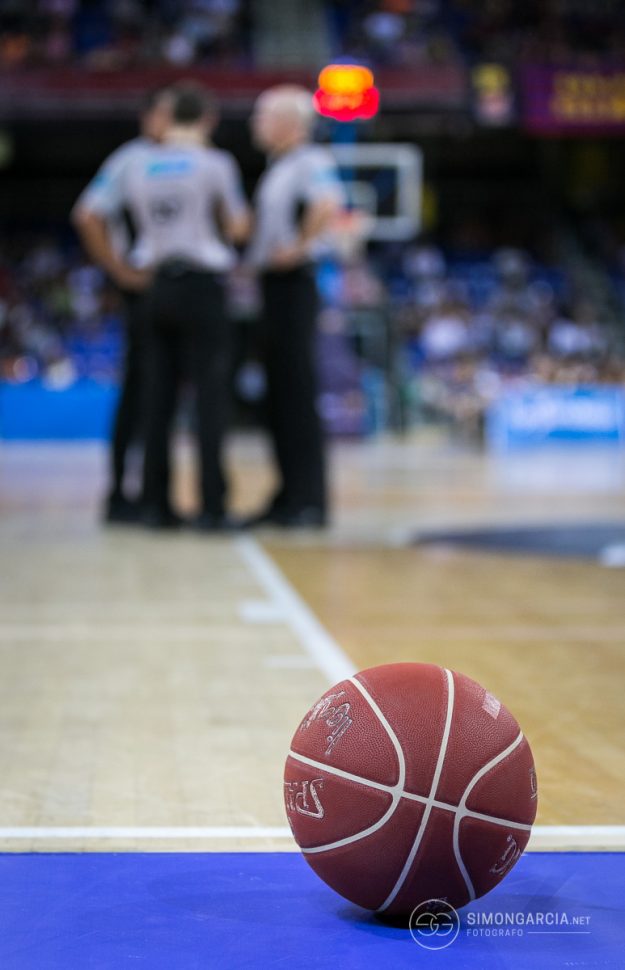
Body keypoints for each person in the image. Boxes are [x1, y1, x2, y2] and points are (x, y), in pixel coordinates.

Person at [82, 82, 250, 530]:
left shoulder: (137, 163)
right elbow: (236, 227)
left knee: (155, 398)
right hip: (200, 283)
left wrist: (124, 271)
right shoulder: (214, 162)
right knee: (210, 397)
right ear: (206, 119)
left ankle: (154, 503)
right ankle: (212, 506)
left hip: (154, 285)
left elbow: (94, 212)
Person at [72, 87, 173, 524]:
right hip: (146, 288)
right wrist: (121, 271)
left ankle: (156, 493)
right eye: (168, 115)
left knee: (164, 393)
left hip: (180, 287)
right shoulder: (129, 160)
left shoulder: (195, 161)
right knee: (141, 390)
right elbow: (87, 214)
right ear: (147, 118)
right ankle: (122, 494)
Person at [246, 85, 345, 528]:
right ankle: (288, 496)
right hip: (274, 283)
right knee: (280, 394)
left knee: (297, 392)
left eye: (263, 116)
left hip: (293, 284)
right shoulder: (281, 166)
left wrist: (299, 247)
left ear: (290, 122)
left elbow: (328, 205)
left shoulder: (311, 160)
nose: (256, 124)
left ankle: (308, 501)